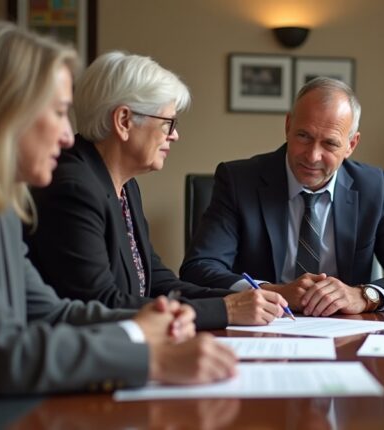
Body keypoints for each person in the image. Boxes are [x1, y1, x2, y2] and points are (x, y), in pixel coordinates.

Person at [0, 22, 236, 416]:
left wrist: (145, 323)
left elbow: (51, 311)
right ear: (4, 112)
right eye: (58, 113)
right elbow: (1, 353)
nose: (65, 134)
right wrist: (151, 359)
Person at [25, 51, 287, 330]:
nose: (174, 135)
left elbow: (159, 283)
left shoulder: (125, 185)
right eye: (167, 123)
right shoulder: (73, 189)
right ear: (124, 121)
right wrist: (225, 310)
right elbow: (100, 303)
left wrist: (243, 298)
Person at [179, 77, 384, 316]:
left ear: (351, 145)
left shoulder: (373, 187)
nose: (312, 156)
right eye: (304, 136)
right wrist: (275, 292)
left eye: (329, 143)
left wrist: (364, 295)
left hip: (345, 333)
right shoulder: (239, 180)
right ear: (288, 125)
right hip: (261, 329)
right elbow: (199, 268)